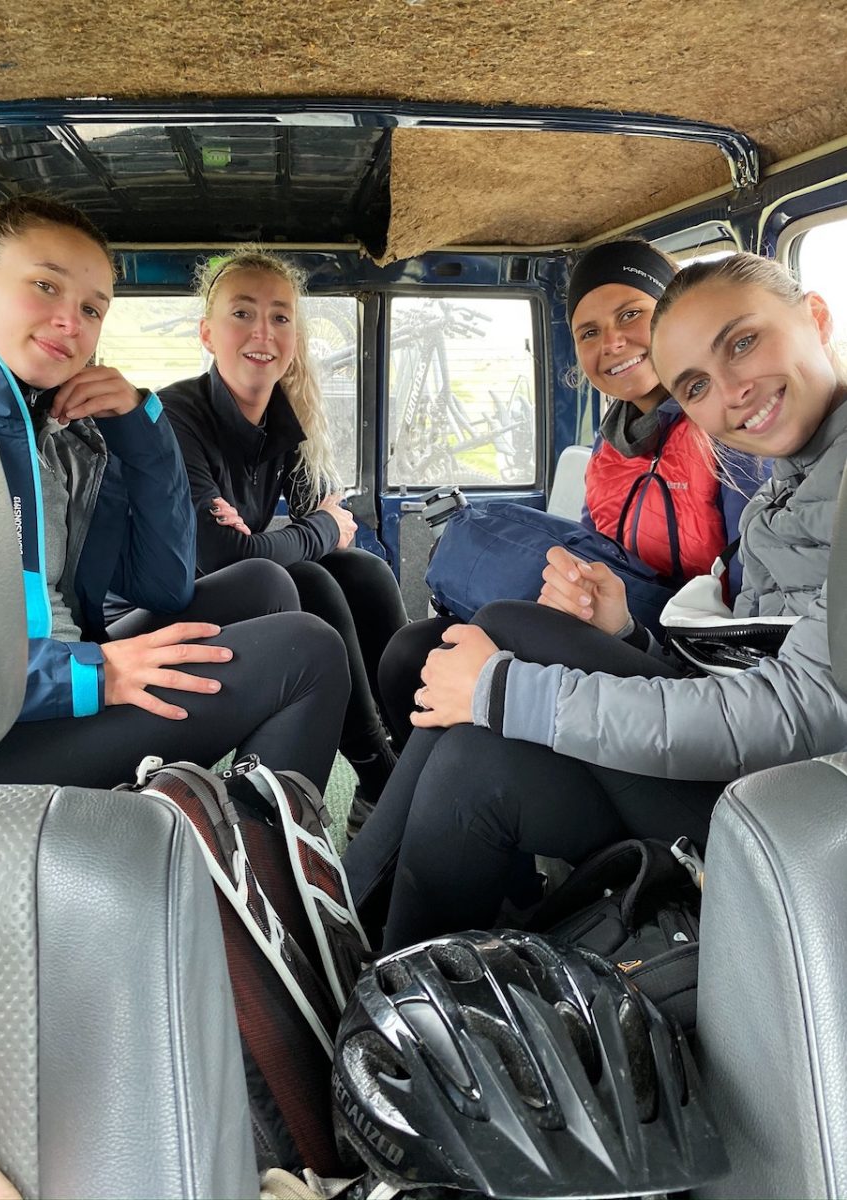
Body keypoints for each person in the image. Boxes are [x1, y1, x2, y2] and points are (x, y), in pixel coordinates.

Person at [344, 252, 847, 951]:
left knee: (506, 629)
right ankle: (386, 974)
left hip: (806, 821)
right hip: (753, 776)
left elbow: (799, 708)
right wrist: (626, 634)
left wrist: (505, 691)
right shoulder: (782, 490)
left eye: (742, 342)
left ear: (816, 318)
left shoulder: (773, 474)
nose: (731, 392)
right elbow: (749, 656)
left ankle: (342, 905)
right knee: (474, 760)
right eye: (697, 385)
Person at [0, 196, 349, 794]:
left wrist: (142, 431)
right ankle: (249, 852)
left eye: (92, 308)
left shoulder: (64, 433)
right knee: (308, 653)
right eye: (45, 286)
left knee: (264, 583)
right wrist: (94, 674)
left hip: (70, 674)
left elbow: (164, 585)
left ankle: (223, 827)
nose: (71, 322)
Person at [378, 238, 762, 747]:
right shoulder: (609, 450)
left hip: (687, 655)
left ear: (674, 314)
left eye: (631, 314)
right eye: (589, 332)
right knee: (415, 650)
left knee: (491, 640)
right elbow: (593, 551)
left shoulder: (729, 430)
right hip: (612, 623)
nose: (613, 342)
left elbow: (751, 607)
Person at [159, 247, 407, 827]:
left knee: (362, 572)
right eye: (242, 313)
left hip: (237, 588)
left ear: (295, 338)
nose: (262, 332)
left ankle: (417, 741)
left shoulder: (284, 419)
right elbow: (229, 554)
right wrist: (313, 530)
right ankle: (379, 776)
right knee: (306, 579)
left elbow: (338, 528)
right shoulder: (176, 415)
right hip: (159, 607)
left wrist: (313, 529)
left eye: (280, 317)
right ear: (207, 333)